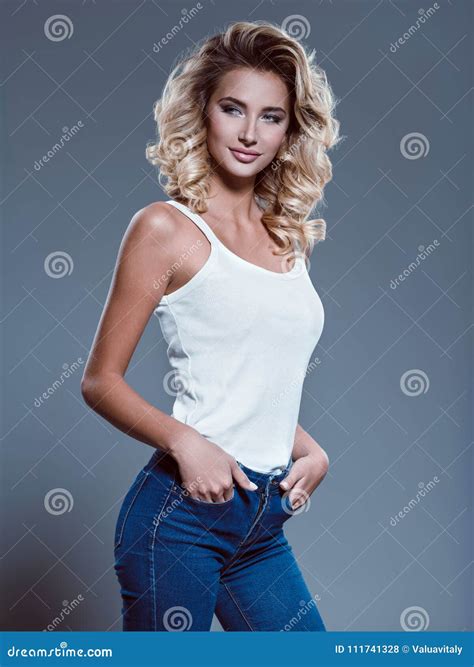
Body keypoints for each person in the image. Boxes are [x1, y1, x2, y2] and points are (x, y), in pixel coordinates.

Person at [81, 20, 341, 632]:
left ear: (289, 131)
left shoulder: (288, 239)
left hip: (262, 520)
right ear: (203, 112)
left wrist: (308, 449)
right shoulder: (165, 230)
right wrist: (185, 442)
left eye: (271, 117)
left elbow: (249, 380)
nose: (250, 133)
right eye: (233, 109)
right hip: (181, 520)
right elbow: (100, 381)